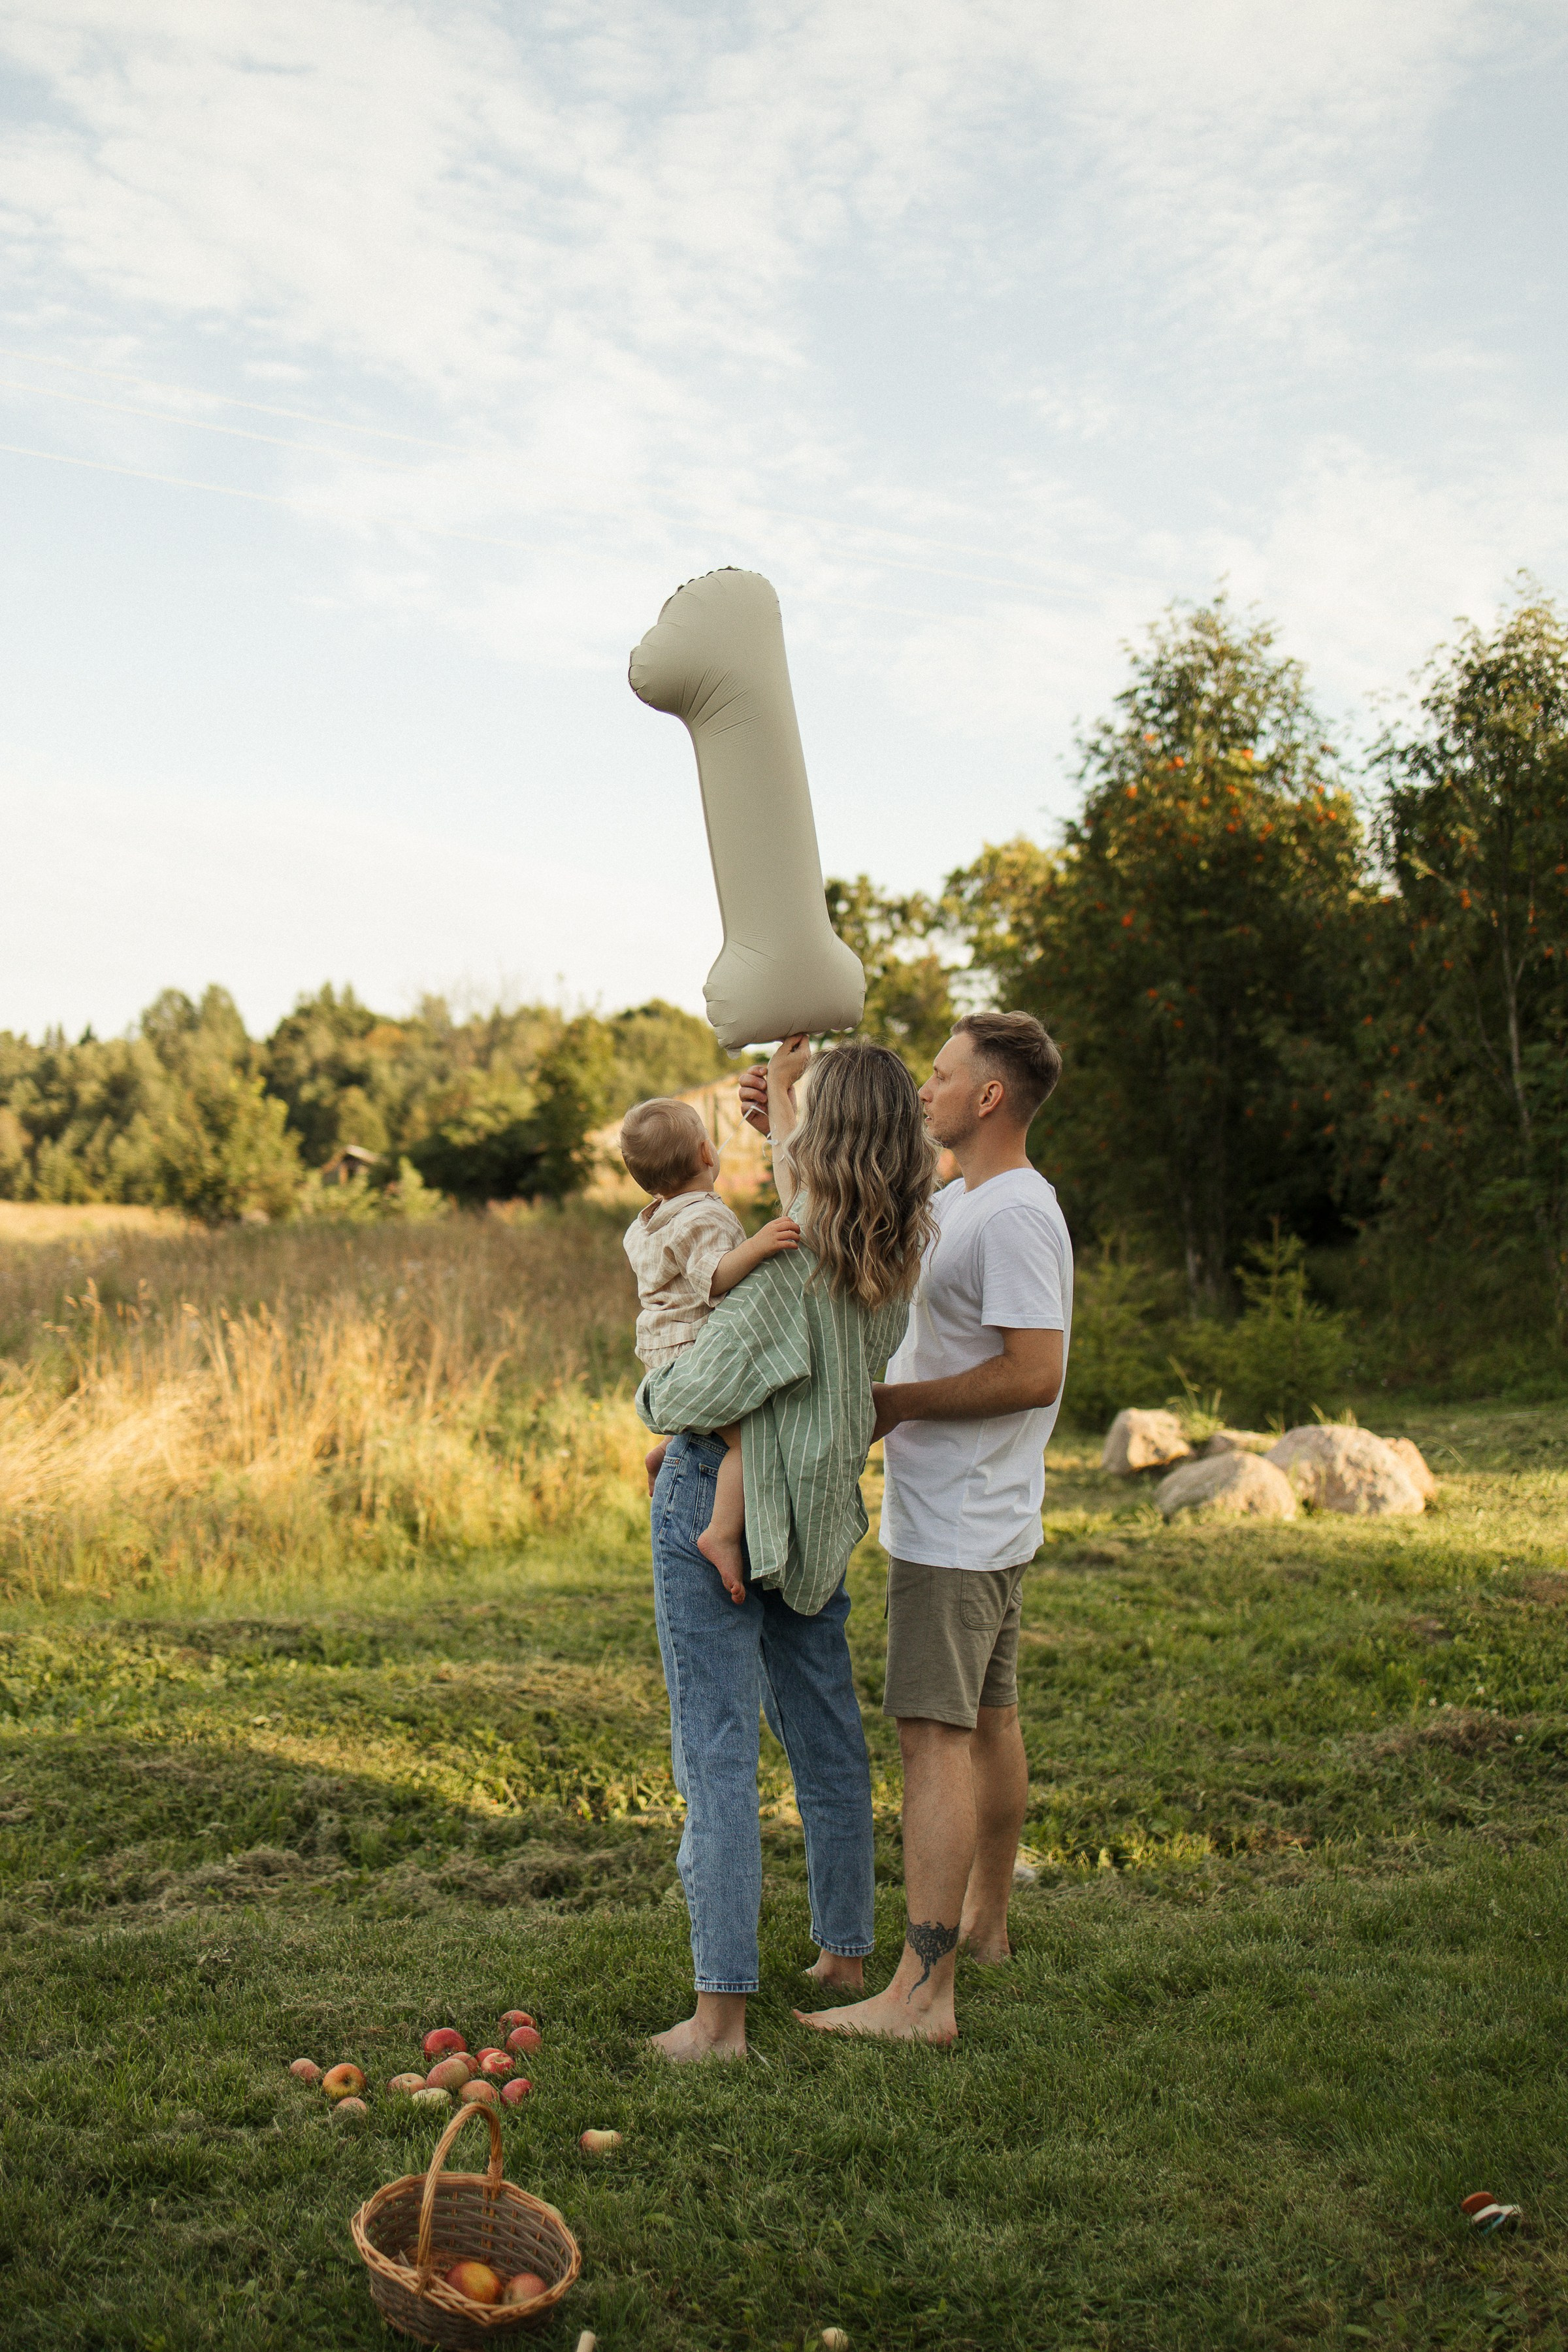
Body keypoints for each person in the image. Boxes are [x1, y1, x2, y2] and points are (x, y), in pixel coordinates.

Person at [636, 1035, 938, 2061]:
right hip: (812, 1522)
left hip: (717, 1516)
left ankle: (719, 2018)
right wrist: (795, 1100)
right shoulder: (896, 1257)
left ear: (828, 1146)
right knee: (826, 1739)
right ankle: (844, 1954)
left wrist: (649, 1397)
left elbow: (689, 1394)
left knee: (717, 1757)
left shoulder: (783, 1268)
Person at [778, 1010, 1071, 2046]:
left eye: (939, 1078)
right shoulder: (966, 1198)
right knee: (987, 1722)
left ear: (989, 1097)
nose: (923, 1094)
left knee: (933, 1738)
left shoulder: (1016, 1217)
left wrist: (897, 1407)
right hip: (970, 1516)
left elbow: (1037, 1370)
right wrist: (790, 1106)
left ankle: (920, 1996)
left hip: (959, 1523)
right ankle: (984, 1929)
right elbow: (846, 1198)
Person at [621, 1095, 803, 1601]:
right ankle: (720, 1533)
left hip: (664, 1349)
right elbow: (715, 1278)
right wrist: (760, 1243)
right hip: (696, 1348)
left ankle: (666, 1452)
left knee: (717, 1427)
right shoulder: (704, 1217)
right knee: (749, 1439)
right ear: (708, 1152)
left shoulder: (650, 1219)